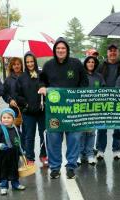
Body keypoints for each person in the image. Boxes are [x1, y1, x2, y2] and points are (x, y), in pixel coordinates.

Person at [38, 37, 88, 179]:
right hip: (55, 110)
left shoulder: (76, 64)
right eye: (58, 48)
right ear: (55, 50)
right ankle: (55, 168)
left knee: (74, 139)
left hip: (73, 109)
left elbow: (84, 82)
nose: (60, 50)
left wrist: (78, 95)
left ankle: (71, 166)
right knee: (53, 139)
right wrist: (42, 87)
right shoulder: (48, 65)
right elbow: (42, 80)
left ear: (67, 50)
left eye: (63, 48)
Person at [16, 52, 48, 167]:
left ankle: (43, 156)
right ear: (25, 63)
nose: (30, 64)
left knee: (43, 134)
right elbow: (18, 95)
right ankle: (30, 158)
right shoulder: (21, 78)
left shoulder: (41, 74)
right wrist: (26, 105)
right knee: (29, 136)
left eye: (31, 61)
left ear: (35, 61)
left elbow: (46, 88)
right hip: (28, 113)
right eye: (27, 62)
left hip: (42, 111)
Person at [96, 43, 120, 160]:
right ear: (107, 53)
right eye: (110, 51)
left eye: (115, 51)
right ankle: (100, 150)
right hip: (103, 101)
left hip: (119, 101)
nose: (112, 53)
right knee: (102, 127)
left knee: (118, 127)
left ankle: (117, 149)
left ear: (118, 53)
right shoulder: (100, 66)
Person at [0, 108, 26, 195]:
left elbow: (20, 140)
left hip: (14, 154)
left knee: (14, 169)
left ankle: (15, 184)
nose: (6, 119)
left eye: (9, 118)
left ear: (13, 119)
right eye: (4, 117)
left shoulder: (16, 129)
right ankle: (4, 186)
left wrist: (22, 150)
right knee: (3, 171)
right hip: (3, 155)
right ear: (1, 119)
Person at [78, 56, 105, 165]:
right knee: (81, 132)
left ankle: (89, 154)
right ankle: (79, 155)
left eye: (93, 62)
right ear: (85, 63)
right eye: (88, 62)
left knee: (91, 133)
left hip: (94, 108)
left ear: (95, 64)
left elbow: (104, 90)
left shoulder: (99, 76)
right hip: (82, 107)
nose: (91, 63)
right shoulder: (81, 75)